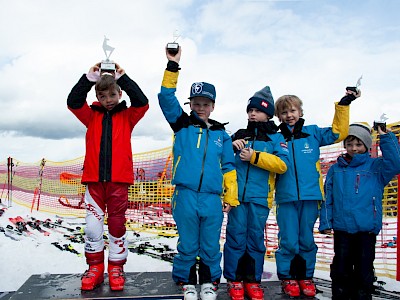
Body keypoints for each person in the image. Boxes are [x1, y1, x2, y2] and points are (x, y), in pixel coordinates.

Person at [158, 46, 239, 300]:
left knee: (210, 245)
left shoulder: (221, 135)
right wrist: (173, 66)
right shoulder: (181, 124)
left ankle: (209, 282)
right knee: (189, 244)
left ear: (213, 106)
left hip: (212, 198)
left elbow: (228, 166)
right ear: (190, 104)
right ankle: (186, 281)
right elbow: (165, 97)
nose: (200, 107)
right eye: (196, 103)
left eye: (205, 103)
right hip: (186, 194)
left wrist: (231, 196)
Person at [67, 62, 149, 291]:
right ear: (97, 97)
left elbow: (142, 102)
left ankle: (116, 267)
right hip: (94, 182)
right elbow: (73, 102)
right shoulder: (90, 116)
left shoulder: (128, 116)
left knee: (116, 225)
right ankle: (94, 268)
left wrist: (122, 77)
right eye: (102, 96)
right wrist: (88, 78)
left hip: (118, 183)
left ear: (120, 93)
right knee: (93, 228)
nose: (108, 99)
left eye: (113, 94)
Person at [273, 89, 360, 297]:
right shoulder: (274, 138)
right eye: (284, 112)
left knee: (306, 239)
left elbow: (339, 133)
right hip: (286, 198)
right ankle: (287, 278)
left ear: (300, 111)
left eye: (293, 110)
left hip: (311, 196)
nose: (289, 115)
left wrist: (344, 105)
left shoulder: (313, 133)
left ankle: (305, 277)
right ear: (278, 116)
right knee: (288, 240)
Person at [223, 86, 290, 300]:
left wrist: (255, 156)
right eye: (249, 110)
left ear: (268, 114)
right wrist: (230, 147)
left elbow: (282, 165)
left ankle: (252, 281)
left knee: (254, 240)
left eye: (257, 110)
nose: (252, 113)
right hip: (237, 199)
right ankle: (234, 280)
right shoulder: (239, 135)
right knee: (235, 237)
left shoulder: (276, 138)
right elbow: (223, 162)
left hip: (260, 198)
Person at [319, 123, 400, 299]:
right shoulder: (335, 169)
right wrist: (326, 222)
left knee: (364, 269)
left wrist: (386, 137)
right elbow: (328, 198)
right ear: (345, 145)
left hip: (366, 230)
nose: (353, 148)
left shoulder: (376, 167)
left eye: (358, 144)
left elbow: (396, 164)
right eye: (349, 144)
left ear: (366, 145)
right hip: (342, 229)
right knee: (340, 269)